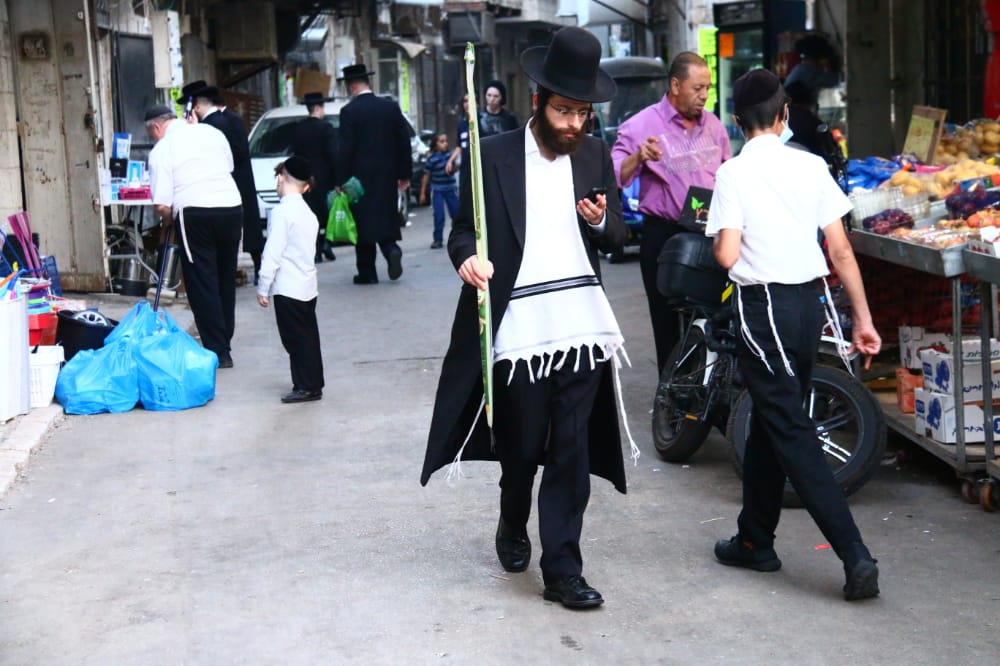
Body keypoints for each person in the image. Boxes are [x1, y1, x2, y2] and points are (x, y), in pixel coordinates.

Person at [422, 27, 635, 610]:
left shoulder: (593, 153)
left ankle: (563, 569)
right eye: (564, 111)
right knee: (520, 444)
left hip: (580, 325)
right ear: (539, 100)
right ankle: (512, 518)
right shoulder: (492, 155)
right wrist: (466, 257)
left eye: (584, 114)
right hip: (517, 328)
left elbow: (617, 234)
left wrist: (598, 221)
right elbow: (465, 228)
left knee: (571, 448)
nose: (574, 124)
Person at [705, 69, 882, 602]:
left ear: (737, 122)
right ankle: (755, 539)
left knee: (791, 428)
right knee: (773, 416)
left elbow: (728, 256)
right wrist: (864, 319)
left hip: (764, 311)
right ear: (784, 116)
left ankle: (855, 555)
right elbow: (841, 251)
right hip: (808, 309)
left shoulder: (733, 173)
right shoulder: (811, 165)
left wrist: (723, 243)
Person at [611, 52, 732, 373]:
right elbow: (614, 177)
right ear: (675, 85)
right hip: (665, 236)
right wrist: (638, 157)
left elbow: (729, 176)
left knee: (714, 318)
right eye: (697, 88)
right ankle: (673, 398)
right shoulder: (640, 125)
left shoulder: (715, 127)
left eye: (707, 88)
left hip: (710, 235)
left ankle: (710, 393)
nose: (704, 95)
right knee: (668, 322)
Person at [145, 105, 242, 368]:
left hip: (195, 212)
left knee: (202, 280)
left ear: (156, 127)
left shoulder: (162, 149)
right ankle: (225, 342)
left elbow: (162, 204)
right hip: (232, 207)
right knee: (224, 276)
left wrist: (168, 222)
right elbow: (229, 167)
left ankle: (217, 350)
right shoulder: (211, 132)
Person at [180, 80, 266, 285]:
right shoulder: (224, 120)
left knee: (241, 231)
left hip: (232, 182)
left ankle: (252, 267)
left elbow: (235, 152)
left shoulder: (217, 124)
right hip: (234, 182)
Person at [256, 156, 325, 404]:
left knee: (294, 339)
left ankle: (305, 386)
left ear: (280, 178)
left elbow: (272, 252)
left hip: (287, 286)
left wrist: (263, 285)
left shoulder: (282, 212)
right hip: (307, 284)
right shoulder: (308, 213)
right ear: (306, 186)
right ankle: (312, 383)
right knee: (308, 335)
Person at [336, 63, 412, 284]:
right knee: (385, 217)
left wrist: (340, 180)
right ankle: (391, 250)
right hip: (387, 175)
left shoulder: (349, 112)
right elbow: (403, 142)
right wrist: (404, 174)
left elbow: (345, 149)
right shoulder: (389, 107)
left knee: (363, 224)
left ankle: (367, 272)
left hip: (358, 180)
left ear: (351, 86)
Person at [290, 91, 339, 264]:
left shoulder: (298, 129)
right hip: (324, 178)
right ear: (318, 108)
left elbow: (295, 155)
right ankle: (327, 243)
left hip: (305, 178)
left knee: (311, 216)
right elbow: (333, 154)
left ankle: (316, 251)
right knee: (328, 213)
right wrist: (337, 180)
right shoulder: (326, 128)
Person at [419, 132, 459, 249]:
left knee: (456, 214)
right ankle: (438, 239)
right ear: (435, 144)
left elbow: (456, 168)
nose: (445, 144)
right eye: (441, 142)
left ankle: (458, 236)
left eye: (446, 141)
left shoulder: (450, 156)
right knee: (439, 215)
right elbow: (426, 176)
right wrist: (422, 193)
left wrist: (453, 165)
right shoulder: (432, 159)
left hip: (451, 189)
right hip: (438, 190)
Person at [445, 94, 470, 177]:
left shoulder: (482, 121)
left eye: (470, 101)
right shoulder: (461, 124)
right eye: (465, 101)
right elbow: (460, 146)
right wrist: (451, 160)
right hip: (465, 166)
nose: (467, 104)